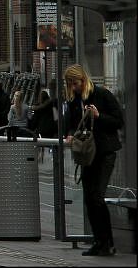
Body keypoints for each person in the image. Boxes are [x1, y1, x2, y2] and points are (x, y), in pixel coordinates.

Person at [64, 64, 123, 257]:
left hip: (104, 152)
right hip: (87, 154)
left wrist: (99, 116)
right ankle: (99, 241)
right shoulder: (74, 101)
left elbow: (118, 121)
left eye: (75, 83)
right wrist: (70, 134)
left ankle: (107, 242)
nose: (73, 87)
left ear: (83, 79)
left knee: (97, 196)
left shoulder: (101, 94)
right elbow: (71, 123)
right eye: (70, 84)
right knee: (89, 198)